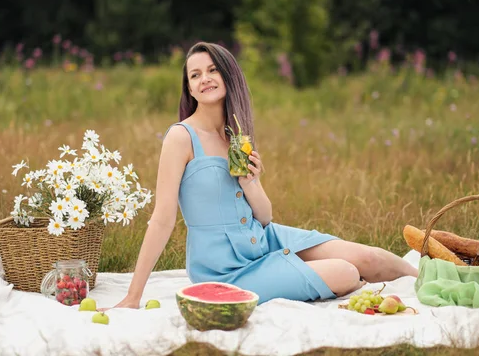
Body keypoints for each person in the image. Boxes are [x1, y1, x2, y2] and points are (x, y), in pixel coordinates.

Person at [104, 42, 418, 309]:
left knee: (369, 258)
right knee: (347, 272)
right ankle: (292, 273)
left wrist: (251, 183)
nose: (205, 79)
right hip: (226, 268)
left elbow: (265, 216)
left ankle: (436, 278)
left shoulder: (236, 135)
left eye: (213, 70)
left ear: (228, 75)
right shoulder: (181, 137)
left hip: (263, 239)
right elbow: (162, 219)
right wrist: (134, 296)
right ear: (189, 88)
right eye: (195, 75)